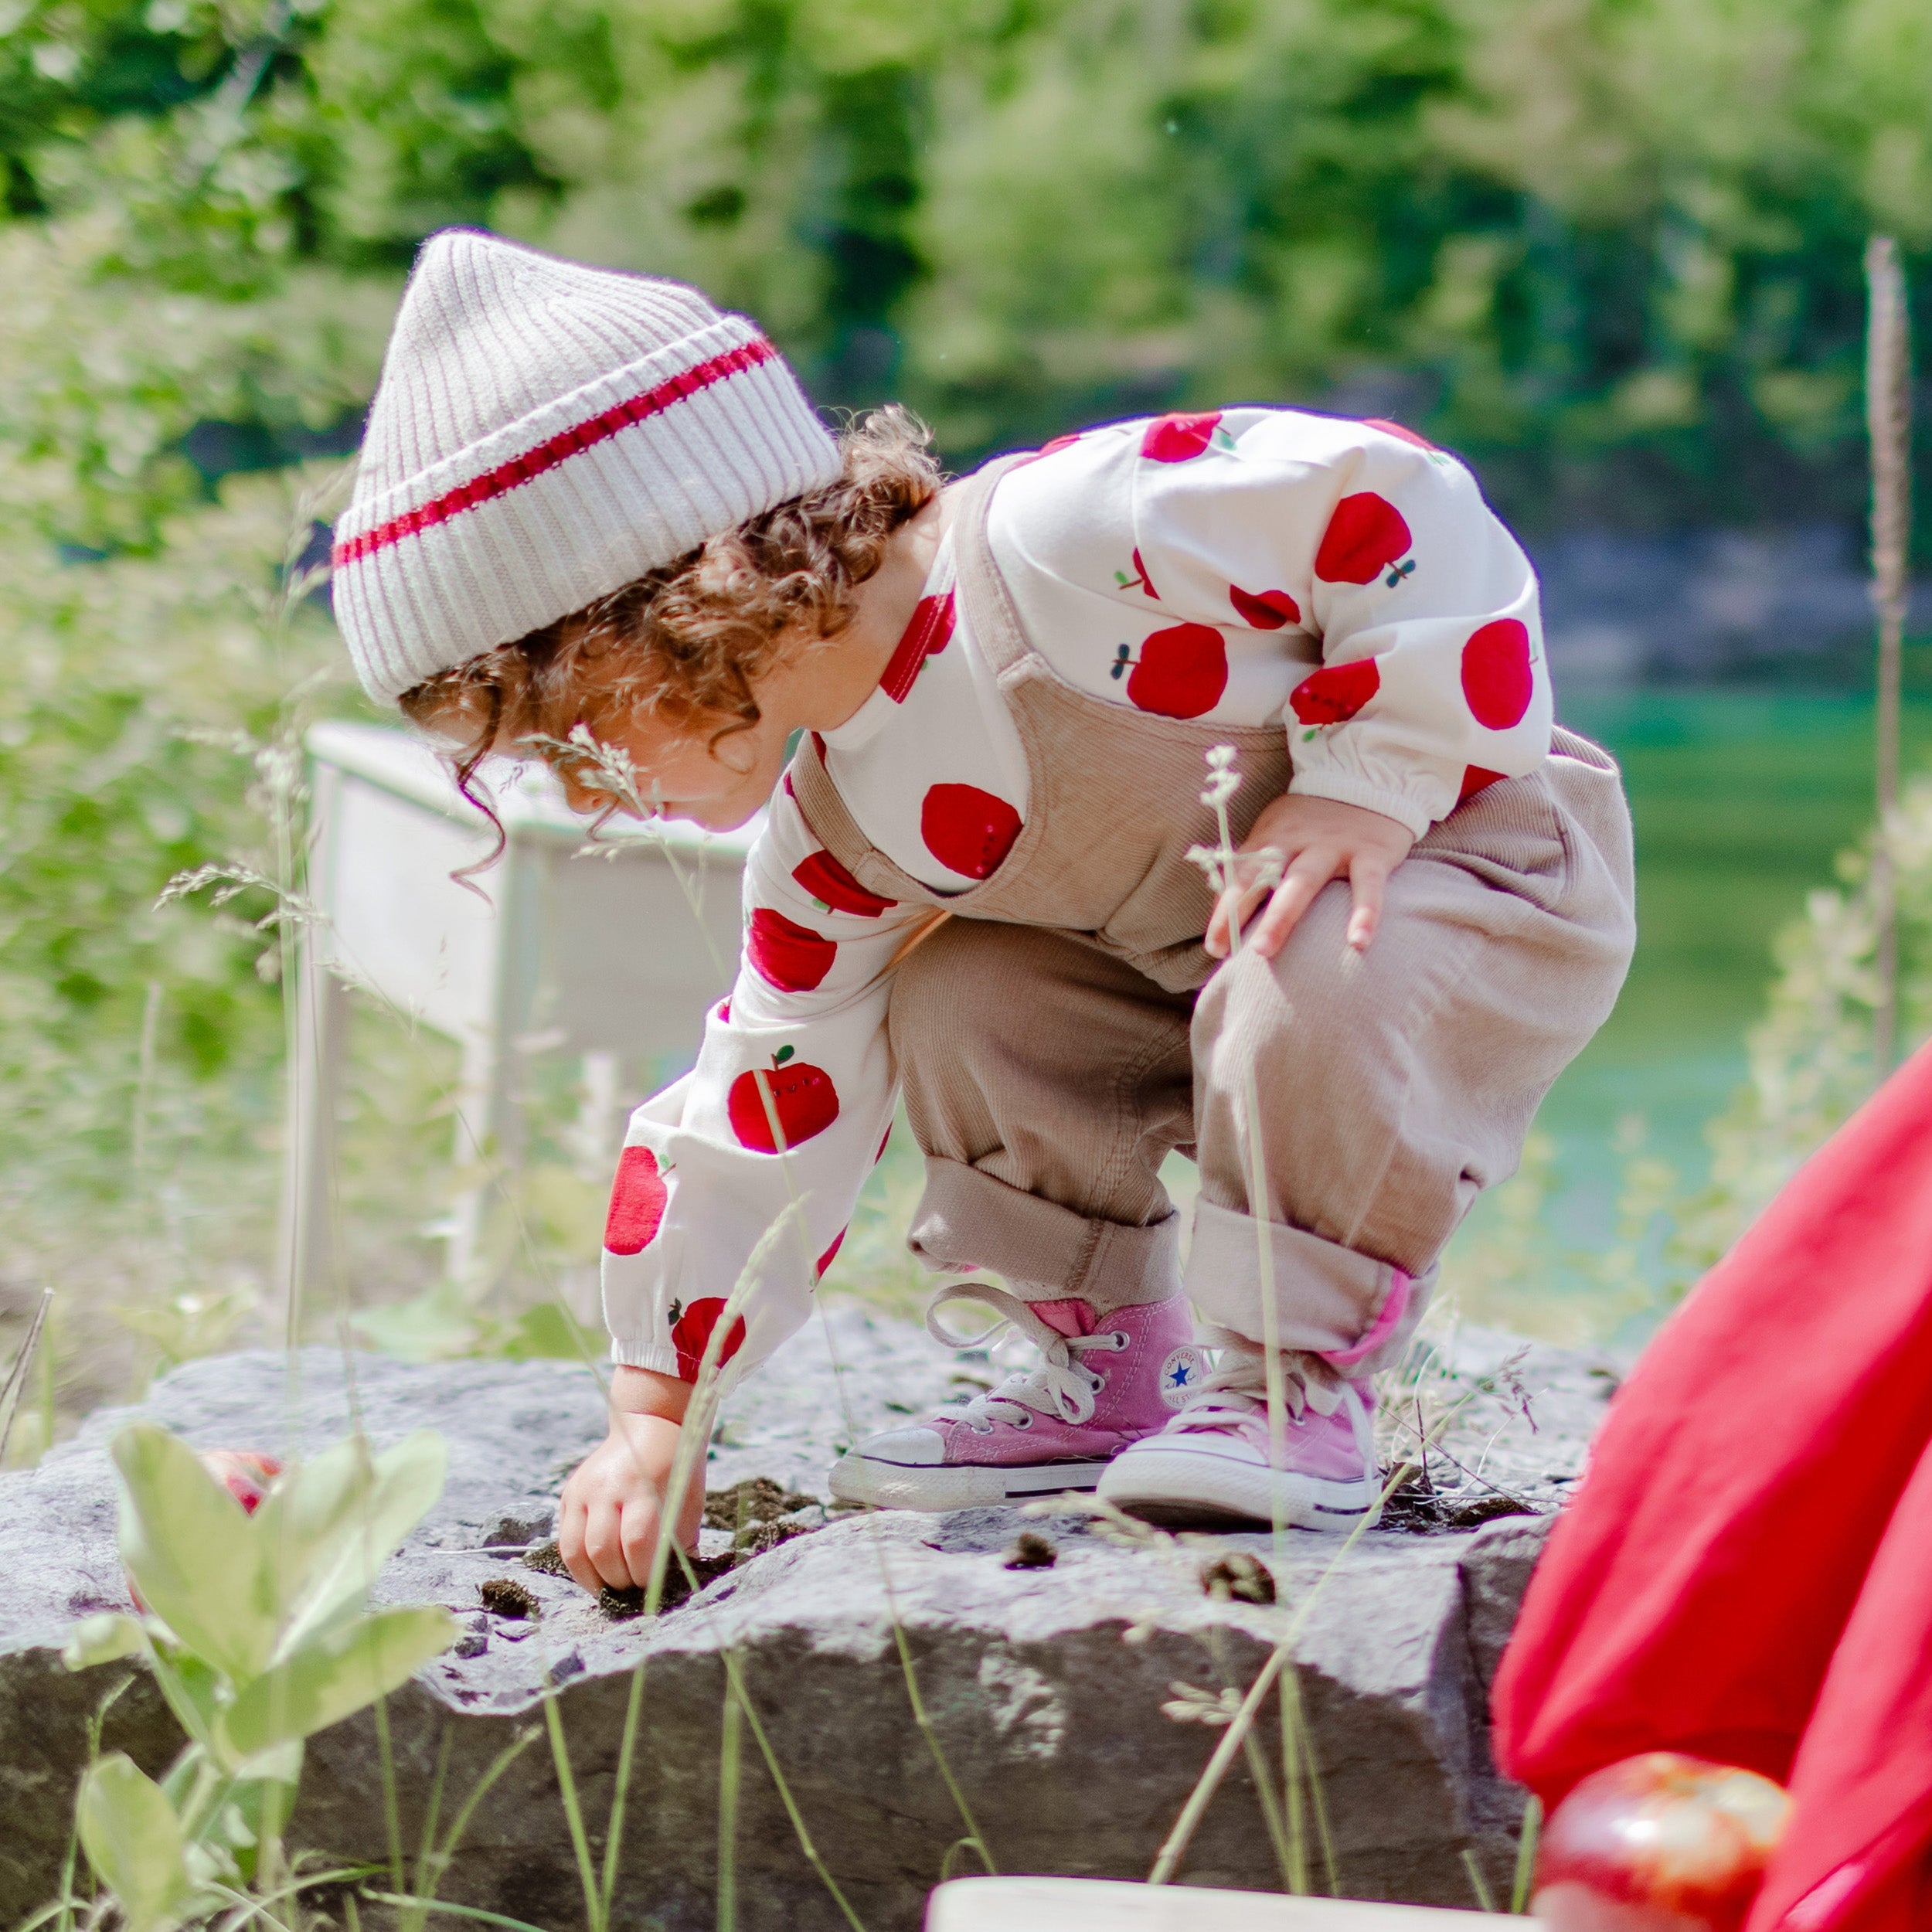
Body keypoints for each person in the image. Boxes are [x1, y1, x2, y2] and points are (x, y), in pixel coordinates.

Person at [332, 230, 1636, 1597]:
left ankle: (1294, 1389)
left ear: (664, 611)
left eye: (569, 737)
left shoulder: (1068, 542)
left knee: (1297, 963)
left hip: (1453, 880)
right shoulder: (838, 836)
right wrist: (657, 1416)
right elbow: (764, 1092)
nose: (585, 791)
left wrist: (1371, 779)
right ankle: (1109, 1366)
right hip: (1203, 981)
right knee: (957, 989)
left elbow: (1398, 503)